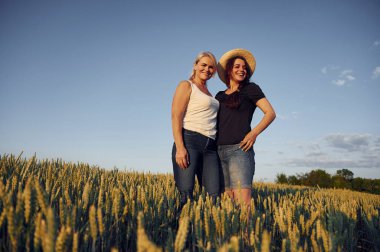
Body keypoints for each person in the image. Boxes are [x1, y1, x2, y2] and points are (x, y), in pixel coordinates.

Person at [215, 48, 276, 207]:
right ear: (229, 70)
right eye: (237, 66)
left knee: (243, 204)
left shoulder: (251, 89)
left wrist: (253, 133)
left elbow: (270, 113)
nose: (241, 70)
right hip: (218, 152)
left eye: (244, 67)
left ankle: (247, 233)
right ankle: (231, 233)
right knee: (226, 205)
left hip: (239, 150)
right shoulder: (219, 96)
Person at [171, 51, 220, 209]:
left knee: (214, 196)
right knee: (186, 195)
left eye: (211, 67)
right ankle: (180, 231)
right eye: (203, 65)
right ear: (195, 65)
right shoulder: (186, 85)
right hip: (190, 141)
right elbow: (176, 116)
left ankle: (209, 233)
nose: (207, 69)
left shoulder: (210, 94)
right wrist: (180, 148)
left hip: (210, 148)